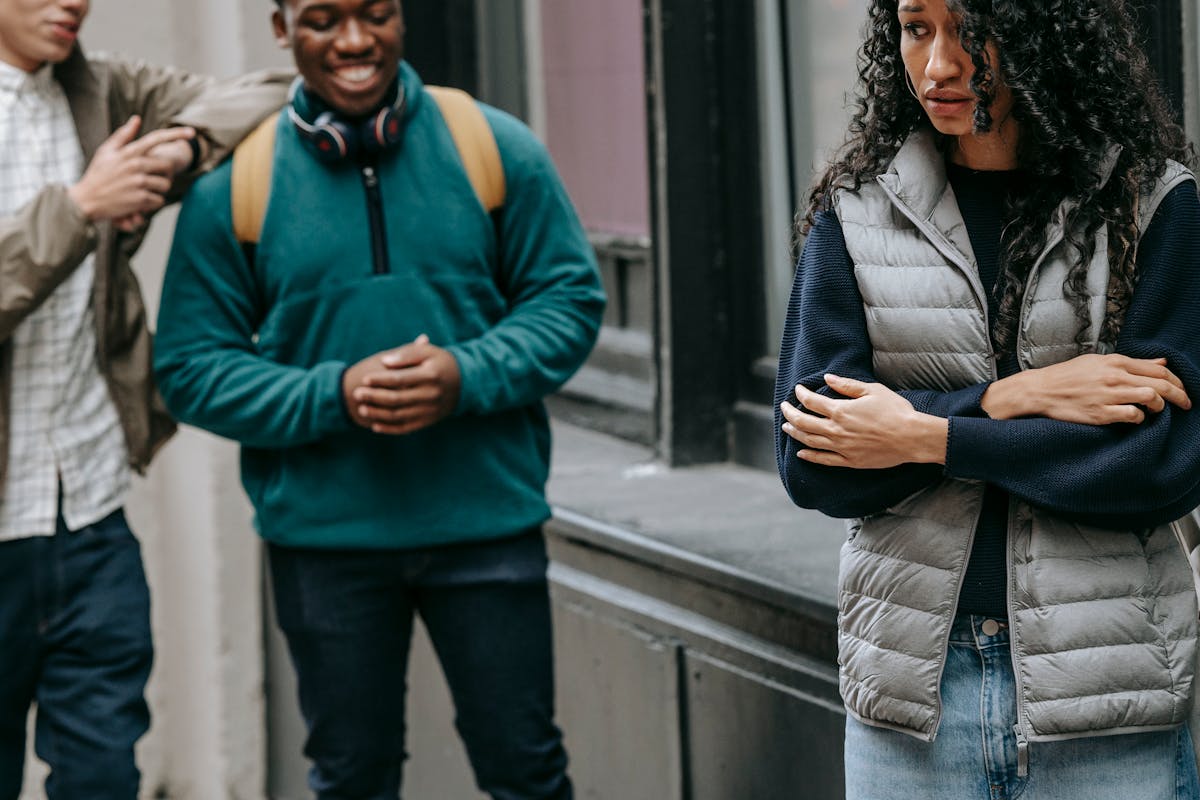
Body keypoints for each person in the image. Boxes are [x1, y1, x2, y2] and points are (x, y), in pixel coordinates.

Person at [152, 0, 605, 798]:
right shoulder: (236, 185)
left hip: (485, 529)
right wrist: (335, 393)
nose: (356, 41)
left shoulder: (492, 146)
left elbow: (568, 302)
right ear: (281, 28)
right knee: (351, 780)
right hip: (325, 546)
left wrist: (465, 376)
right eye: (324, 19)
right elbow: (190, 366)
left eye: (376, 14)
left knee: (527, 771)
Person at [775, 0, 1200, 798]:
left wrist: (928, 436)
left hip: (1108, 698)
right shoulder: (858, 212)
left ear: (1046, 30)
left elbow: (1161, 462)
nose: (938, 65)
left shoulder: (1149, 205)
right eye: (915, 27)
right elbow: (815, 461)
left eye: (972, 31)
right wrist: (1012, 399)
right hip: (914, 706)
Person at [0, 1, 289, 797]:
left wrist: (185, 144)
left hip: (89, 521)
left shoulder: (100, 90)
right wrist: (81, 208)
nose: (73, 4)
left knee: (103, 779)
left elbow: (274, 88)